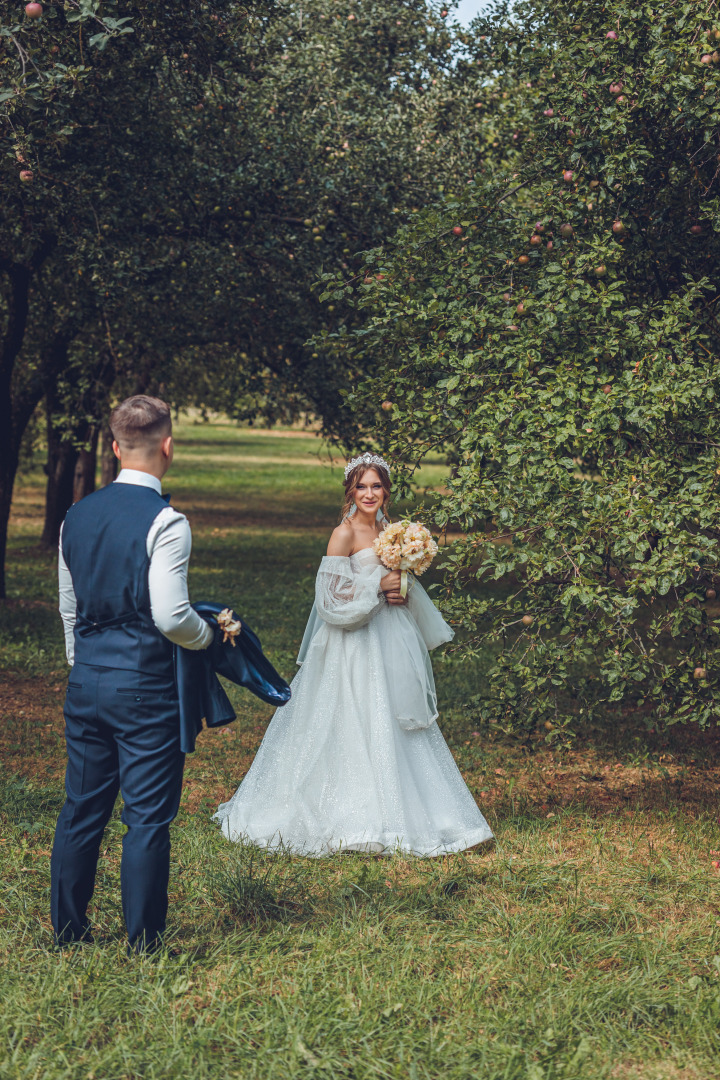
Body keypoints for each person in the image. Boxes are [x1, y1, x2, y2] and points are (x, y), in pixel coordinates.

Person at [214, 452, 492, 856]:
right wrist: (377, 586)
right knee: (352, 715)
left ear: (386, 490)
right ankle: (352, 818)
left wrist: (401, 587)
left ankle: (418, 812)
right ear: (350, 490)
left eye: (376, 486)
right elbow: (329, 600)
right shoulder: (343, 534)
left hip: (388, 637)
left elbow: (401, 582)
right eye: (361, 486)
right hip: (351, 643)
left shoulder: (392, 532)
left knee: (393, 715)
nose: (369, 493)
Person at [51, 395, 215, 954]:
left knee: (81, 807)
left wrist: (84, 667)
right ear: (168, 446)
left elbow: (69, 607)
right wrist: (209, 636)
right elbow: (171, 616)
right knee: (145, 818)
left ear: (116, 447)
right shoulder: (167, 522)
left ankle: (68, 933)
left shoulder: (76, 514)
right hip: (145, 689)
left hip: (87, 681)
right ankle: (144, 944)